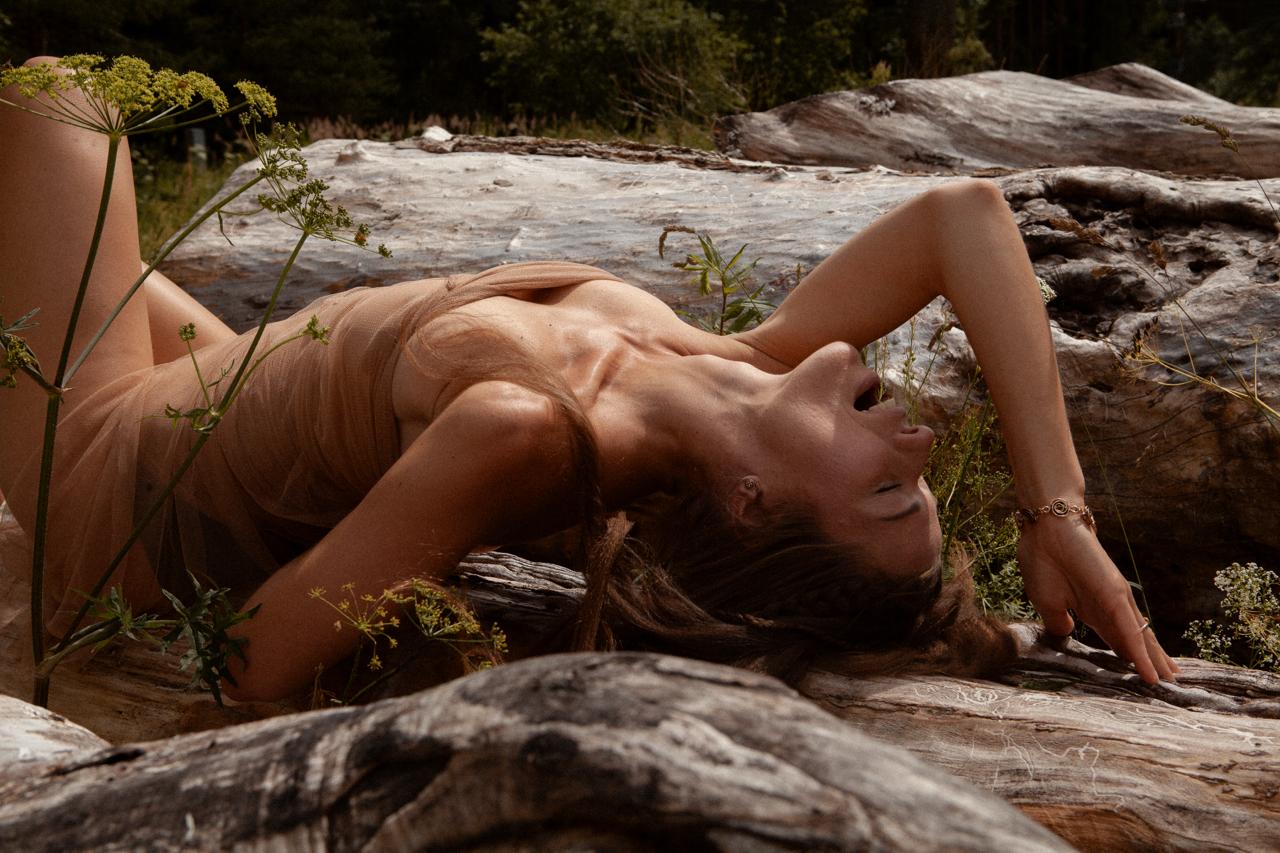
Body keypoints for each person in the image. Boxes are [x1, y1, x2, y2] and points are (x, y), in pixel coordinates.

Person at [0, 58, 1177, 703]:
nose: (918, 449)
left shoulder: (530, 435)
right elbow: (961, 215)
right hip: (210, 374)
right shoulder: (744, 368)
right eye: (916, 487)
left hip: (106, 481)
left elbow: (252, 665)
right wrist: (1052, 511)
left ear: (750, 504)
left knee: (55, 102)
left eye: (884, 494)